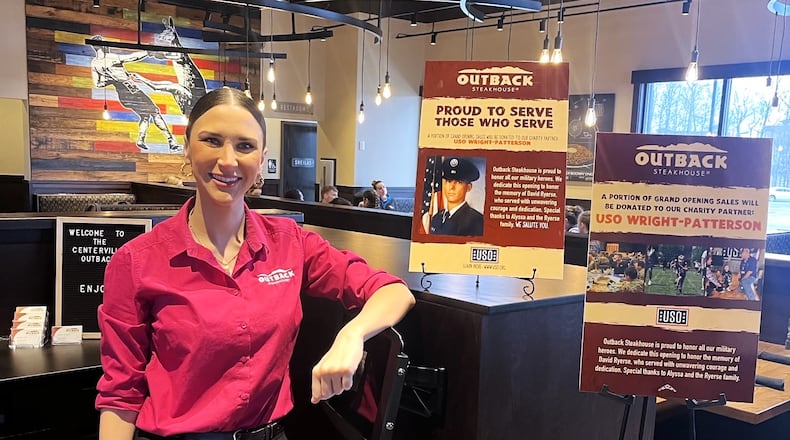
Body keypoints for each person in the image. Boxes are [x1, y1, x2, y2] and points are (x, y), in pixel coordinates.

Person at [95, 88, 416, 440]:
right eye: (212, 141)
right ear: (187, 147)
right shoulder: (136, 261)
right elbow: (120, 395)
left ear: (262, 158)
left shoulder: (291, 243)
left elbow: (393, 291)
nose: (228, 160)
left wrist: (352, 334)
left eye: (244, 146)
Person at [90, 36, 180, 152]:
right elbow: (132, 57)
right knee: (155, 112)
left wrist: (111, 80)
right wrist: (147, 52)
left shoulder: (95, 63)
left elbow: (98, 84)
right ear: (103, 45)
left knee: (145, 115)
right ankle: (171, 141)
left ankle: (141, 140)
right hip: (131, 90)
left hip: (122, 96)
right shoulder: (111, 58)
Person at [428, 157, 484, 236]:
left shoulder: (476, 221)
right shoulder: (437, 218)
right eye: (449, 181)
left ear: (468, 187)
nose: (452, 187)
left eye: (458, 182)